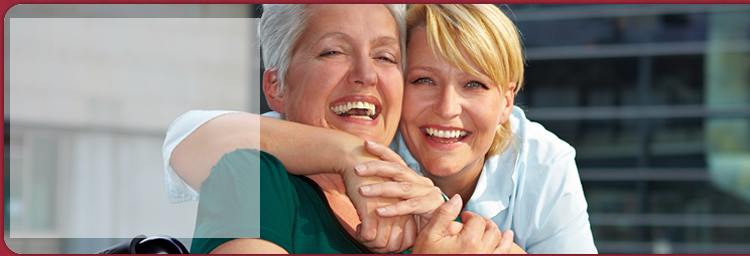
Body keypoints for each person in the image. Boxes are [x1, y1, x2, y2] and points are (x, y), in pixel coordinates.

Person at [166, 4, 596, 254]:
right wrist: (348, 154)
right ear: (275, 85)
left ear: (507, 99)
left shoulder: (435, 211)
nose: (365, 75)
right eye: (332, 51)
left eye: (386, 58)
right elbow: (191, 136)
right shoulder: (253, 176)